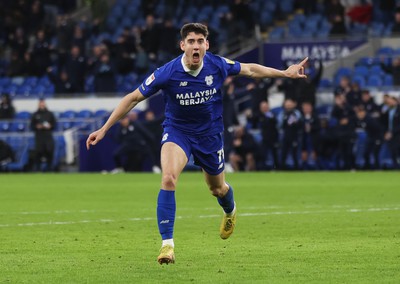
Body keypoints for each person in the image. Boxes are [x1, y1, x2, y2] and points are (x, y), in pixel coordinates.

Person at [86, 23, 308, 265]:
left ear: (206, 45)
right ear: (183, 45)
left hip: (209, 135)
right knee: (168, 178)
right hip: (177, 132)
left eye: (200, 41)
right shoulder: (167, 72)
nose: (196, 46)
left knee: (217, 189)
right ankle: (167, 246)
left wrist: (284, 73)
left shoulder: (216, 64)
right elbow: (133, 98)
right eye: (191, 41)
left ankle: (230, 210)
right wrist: (105, 128)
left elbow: (250, 70)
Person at [30, 99, 56, 171]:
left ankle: (49, 169)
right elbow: (32, 126)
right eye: (40, 104)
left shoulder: (50, 114)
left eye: (43, 104)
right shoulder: (35, 114)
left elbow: (54, 125)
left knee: (49, 152)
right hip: (39, 137)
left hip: (48, 136)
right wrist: (37, 126)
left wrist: (50, 126)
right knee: (38, 152)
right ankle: (38, 169)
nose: (42, 105)